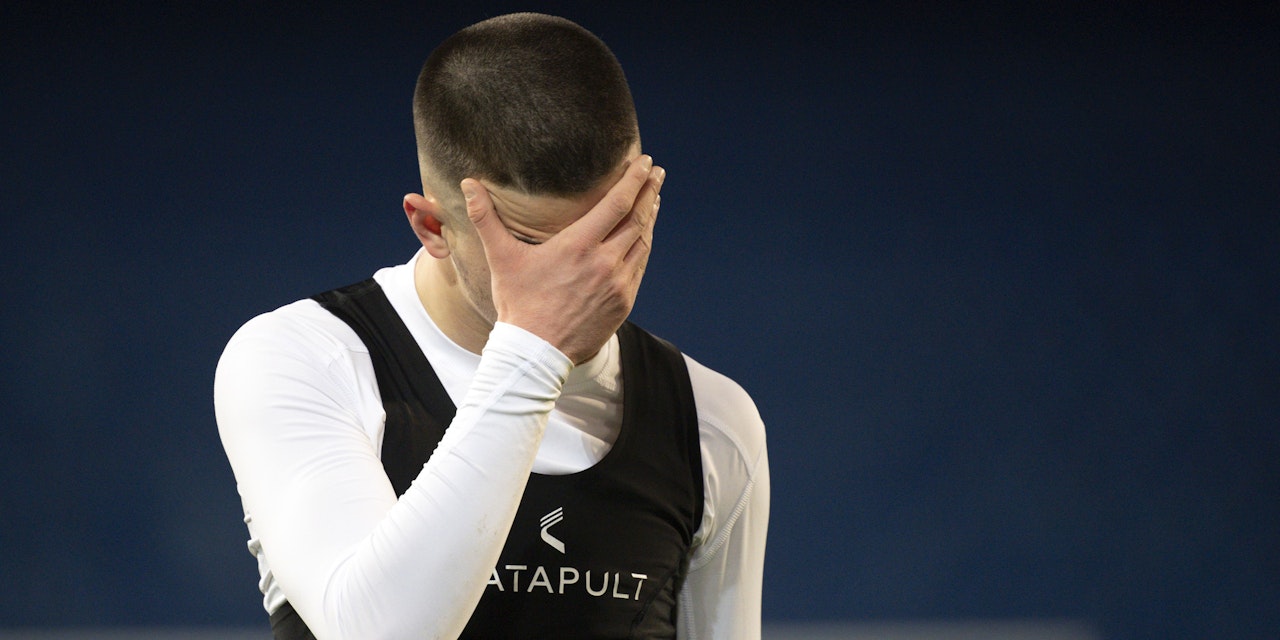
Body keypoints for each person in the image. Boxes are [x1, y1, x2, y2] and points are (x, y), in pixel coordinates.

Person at [215, 12, 768, 640]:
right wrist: (535, 350)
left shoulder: (710, 420)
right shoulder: (304, 358)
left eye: (612, 228)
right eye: (536, 244)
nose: (588, 273)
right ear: (432, 228)